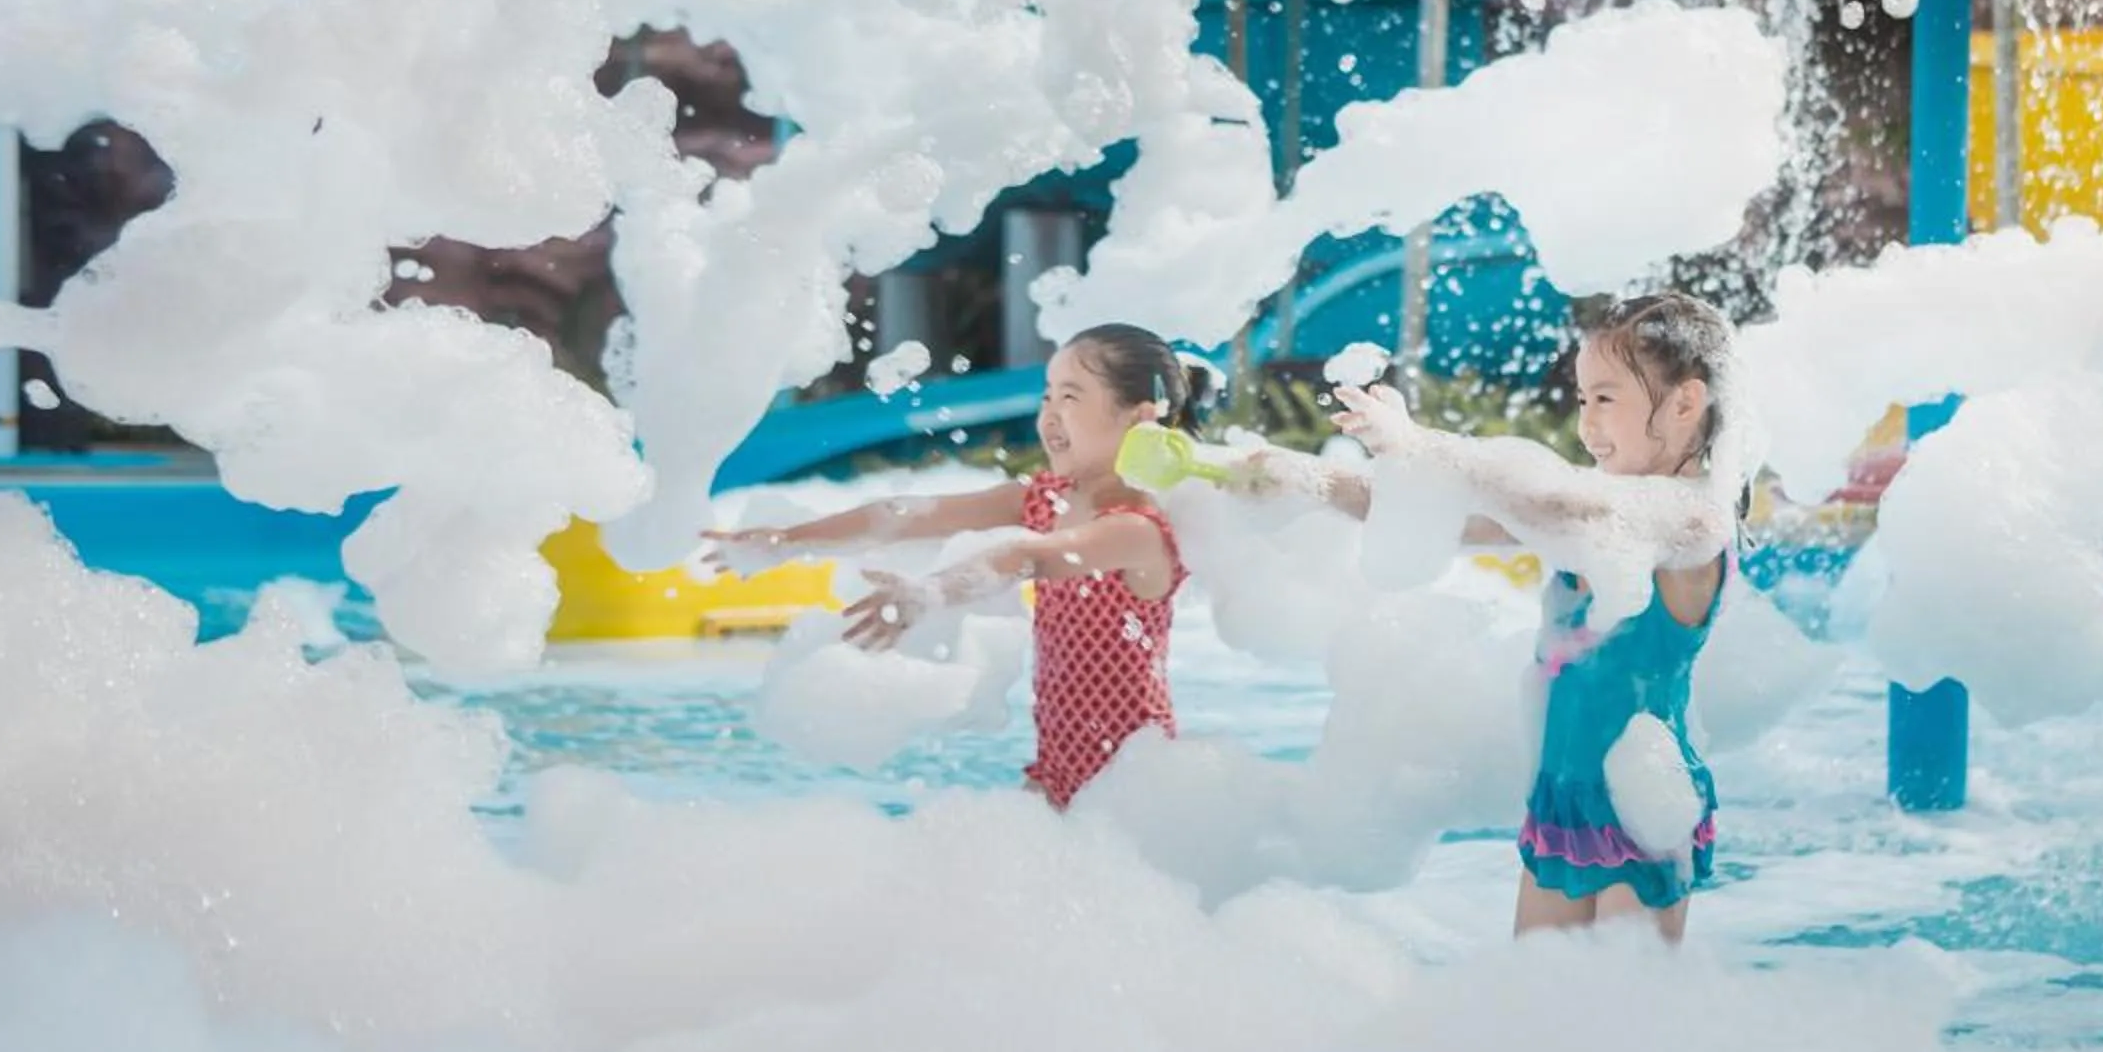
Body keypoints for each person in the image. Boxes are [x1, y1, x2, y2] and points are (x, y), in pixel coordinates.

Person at [1259, 291, 1745, 943]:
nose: (1587, 422)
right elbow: (1430, 512)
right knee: (1538, 1011)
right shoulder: (1591, 507)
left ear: (1686, 402)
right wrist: (1296, 479)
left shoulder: (1694, 520)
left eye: (1605, 397)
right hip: (1564, 795)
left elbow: (1564, 509)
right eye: (1580, 400)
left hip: (1644, 799)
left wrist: (1425, 444)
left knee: (1623, 1025)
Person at [699, 323, 1205, 808]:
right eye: (1046, 396)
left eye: (1071, 398)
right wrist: (787, 540)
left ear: (1139, 418)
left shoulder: (1135, 529)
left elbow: (1024, 557)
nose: (1049, 415)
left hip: (1134, 783)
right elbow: (906, 515)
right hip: (1055, 774)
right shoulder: (1042, 500)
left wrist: (929, 593)